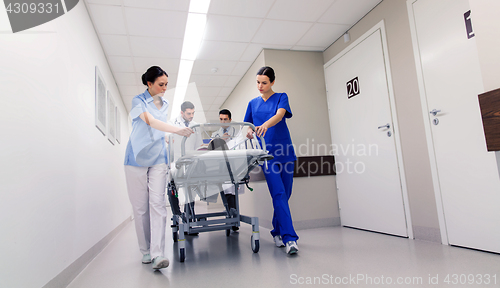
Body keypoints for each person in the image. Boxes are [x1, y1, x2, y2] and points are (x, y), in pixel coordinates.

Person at [124, 66, 193, 270]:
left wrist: (169, 138)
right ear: (149, 84)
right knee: (140, 208)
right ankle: (145, 251)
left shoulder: (166, 103)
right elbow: (151, 122)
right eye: (161, 85)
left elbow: (160, 129)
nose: (164, 88)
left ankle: (157, 254)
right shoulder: (137, 101)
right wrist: (178, 129)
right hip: (136, 157)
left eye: (166, 85)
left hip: (157, 158)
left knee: (158, 204)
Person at [244, 66, 299, 255]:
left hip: (285, 152)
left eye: (264, 82)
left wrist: (264, 125)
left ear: (272, 82)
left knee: (286, 193)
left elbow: (279, 115)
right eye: (258, 82)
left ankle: (276, 231)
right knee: (278, 193)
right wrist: (251, 133)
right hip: (267, 155)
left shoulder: (282, 97)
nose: (260, 86)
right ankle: (290, 239)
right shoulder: (252, 103)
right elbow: (248, 128)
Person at [167, 101, 203, 229]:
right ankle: (176, 214)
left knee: (191, 189)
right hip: (175, 161)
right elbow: (167, 140)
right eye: (189, 113)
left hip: (190, 162)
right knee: (172, 188)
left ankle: (189, 216)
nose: (191, 116)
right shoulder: (172, 124)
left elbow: (198, 145)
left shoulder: (195, 126)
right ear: (182, 112)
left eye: (193, 113)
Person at [211, 109, 239, 228]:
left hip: (233, 165)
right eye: (221, 119)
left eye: (225, 119)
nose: (223, 121)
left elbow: (238, 149)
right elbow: (211, 151)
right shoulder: (215, 135)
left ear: (230, 120)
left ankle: (233, 217)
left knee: (231, 190)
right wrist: (221, 140)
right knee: (227, 190)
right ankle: (232, 215)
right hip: (220, 165)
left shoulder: (236, 133)